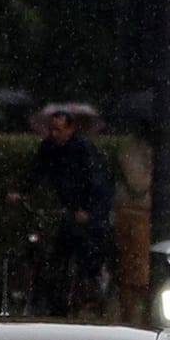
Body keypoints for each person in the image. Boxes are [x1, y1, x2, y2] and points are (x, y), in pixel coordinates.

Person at [25, 110, 114, 317]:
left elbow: (96, 182)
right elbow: (36, 171)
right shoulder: (48, 148)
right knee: (55, 251)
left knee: (85, 245)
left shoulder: (83, 149)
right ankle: (55, 297)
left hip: (87, 208)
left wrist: (88, 210)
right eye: (52, 129)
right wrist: (21, 190)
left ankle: (89, 288)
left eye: (59, 130)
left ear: (70, 129)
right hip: (66, 207)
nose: (54, 134)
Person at [113, 124, 156, 325]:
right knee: (134, 274)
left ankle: (145, 317)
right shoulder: (131, 151)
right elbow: (138, 184)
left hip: (148, 215)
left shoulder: (151, 149)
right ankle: (130, 320)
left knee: (146, 273)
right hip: (135, 215)